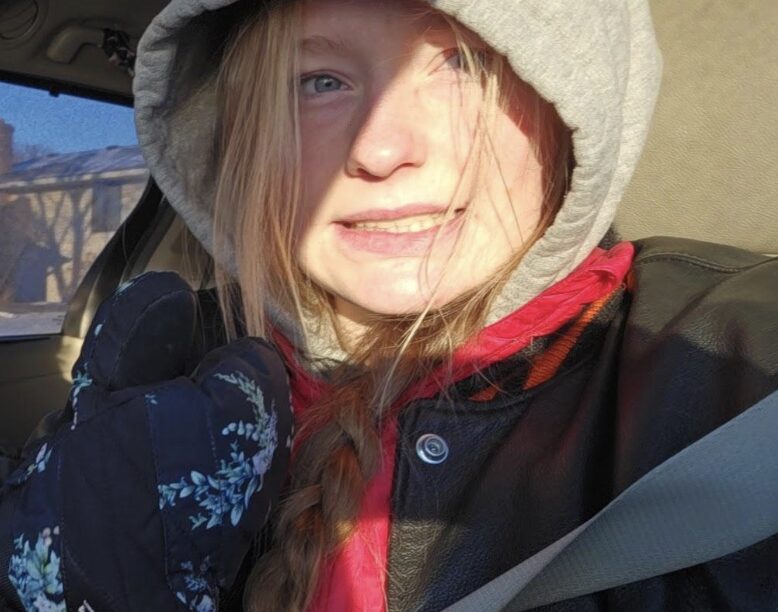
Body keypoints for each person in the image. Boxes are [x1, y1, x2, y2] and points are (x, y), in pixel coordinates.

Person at [2, 0, 777, 611]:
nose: (379, 148)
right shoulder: (171, 360)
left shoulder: (730, 371)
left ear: (575, 97)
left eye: (464, 63)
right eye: (319, 82)